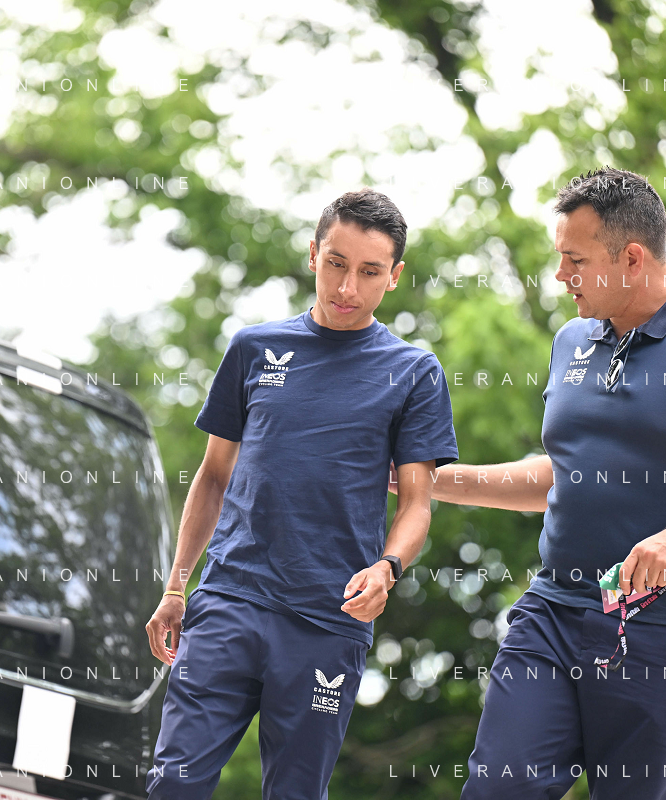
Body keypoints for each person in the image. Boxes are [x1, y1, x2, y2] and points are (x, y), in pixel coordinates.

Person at [400, 168, 666, 800]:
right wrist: (424, 480)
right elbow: (562, 474)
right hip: (553, 613)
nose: (561, 275)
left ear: (632, 258)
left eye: (576, 260)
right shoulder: (572, 340)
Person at [145, 188, 459, 799]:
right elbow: (213, 477)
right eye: (336, 263)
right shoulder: (253, 349)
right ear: (313, 254)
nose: (347, 287)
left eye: (369, 272)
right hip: (229, 600)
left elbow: (417, 504)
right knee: (173, 783)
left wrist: (388, 568)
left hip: (329, 621)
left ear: (394, 277)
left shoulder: (414, 373)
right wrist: (177, 586)